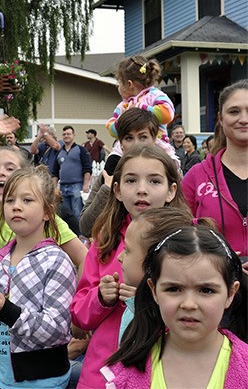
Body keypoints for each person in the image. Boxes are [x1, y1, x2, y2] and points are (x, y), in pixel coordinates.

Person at [0, 115, 88, 389]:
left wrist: (81, 314)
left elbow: (83, 260)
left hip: (38, 363)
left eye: (10, 168)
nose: (1, 173)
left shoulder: (51, 234)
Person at [70, 145, 186, 388]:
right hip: (102, 371)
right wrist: (101, 297)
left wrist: (149, 299)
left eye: (154, 181)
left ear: (171, 190)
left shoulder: (186, 241)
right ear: (118, 190)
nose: (142, 190)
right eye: (131, 180)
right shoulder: (105, 239)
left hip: (165, 368)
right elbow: (79, 314)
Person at [103, 225, 248, 388]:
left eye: (206, 290)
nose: (189, 304)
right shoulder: (126, 373)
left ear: (230, 294)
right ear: (154, 290)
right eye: (174, 289)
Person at [115, 207, 215, 344]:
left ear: (152, 261)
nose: (119, 257)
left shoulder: (166, 322)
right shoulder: (136, 307)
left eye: (127, 250)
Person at [79, 107, 180, 237]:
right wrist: (107, 191)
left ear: (154, 139)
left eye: (143, 137)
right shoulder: (110, 172)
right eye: (129, 138)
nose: (136, 144)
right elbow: (86, 228)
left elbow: (180, 217)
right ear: (121, 143)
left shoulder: (169, 171)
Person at [182, 79, 248, 260]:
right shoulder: (196, 176)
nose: (244, 119)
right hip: (214, 282)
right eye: (234, 111)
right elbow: (178, 234)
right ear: (220, 118)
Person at [106, 55, 175, 146]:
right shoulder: (123, 106)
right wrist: (123, 118)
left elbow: (167, 114)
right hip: (130, 147)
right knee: (114, 156)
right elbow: (111, 130)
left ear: (129, 84)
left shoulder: (155, 95)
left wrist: (141, 107)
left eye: (119, 83)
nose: (118, 87)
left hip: (156, 145)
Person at [52, 125, 92, 221]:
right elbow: (55, 172)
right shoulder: (59, 153)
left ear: (74, 135)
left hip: (77, 186)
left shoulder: (81, 150)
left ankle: (80, 234)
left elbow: (87, 168)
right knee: (65, 214)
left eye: (68, 134)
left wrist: (85, 185)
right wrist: (54, 188)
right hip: (63, 187)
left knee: (77, 212)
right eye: (64, 134)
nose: (66, 136)